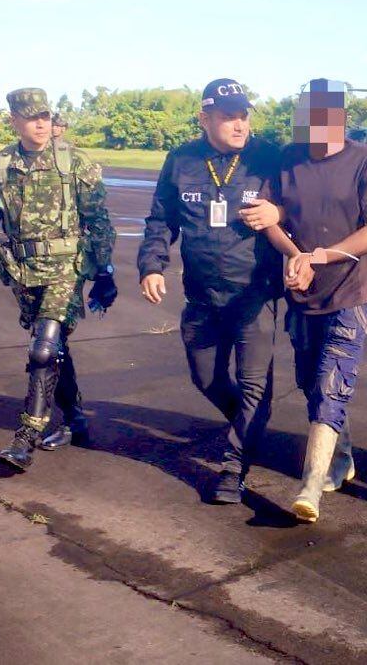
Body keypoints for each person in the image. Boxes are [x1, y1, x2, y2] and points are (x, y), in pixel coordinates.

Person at [246, 78, 367, 523]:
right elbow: (268, 214)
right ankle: (341, 457)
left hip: (349, 291)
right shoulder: (288, 159)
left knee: (332, 385)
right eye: (309, 120)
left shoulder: (363, 160)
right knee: (312, 382)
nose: (318, 132)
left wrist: (321, 256)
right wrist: (294, 255)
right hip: (303, 293)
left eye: (327, 121)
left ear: (342, 121)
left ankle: (311, 486)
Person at [0, 87, 117, 470]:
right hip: (24, 273)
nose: (41, 123)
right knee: (56, 349)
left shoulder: (74, 162)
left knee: (43, 350)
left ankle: (26, 437)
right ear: (15, 121)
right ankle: (75, 419)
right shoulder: (1, 164)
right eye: (31, 117)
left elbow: (99, 222)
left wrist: (104, 271)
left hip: (66, 269)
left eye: (45, 116)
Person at [137, 78, 283, 504]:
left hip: (253, 294)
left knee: (254, 385)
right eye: (228, 117)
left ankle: (234, 466)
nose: (239, 125)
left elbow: (305, 202)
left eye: (244, 116)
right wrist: (152, 265)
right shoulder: (181, 160)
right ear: (204, 119)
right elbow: (160, 219)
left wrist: (281, 210)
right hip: (202, 295)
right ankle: (249, 425)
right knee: (206, 378)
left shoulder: (268, 156)